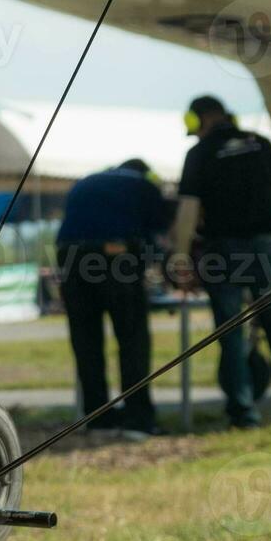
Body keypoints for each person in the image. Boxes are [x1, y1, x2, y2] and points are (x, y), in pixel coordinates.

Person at [169, 95, 271, 429]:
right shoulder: (261, 144)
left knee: (231, 333)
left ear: (199, 120)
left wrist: (179, 255)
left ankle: (243, 415)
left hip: (223, 250)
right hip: (264, 246)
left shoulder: (199, 153)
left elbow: (188, 210)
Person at [56, 158, 171, 437]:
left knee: (86, 342)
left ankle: (98, 417)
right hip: (114, 255)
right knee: (132, 339)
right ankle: (138, 418)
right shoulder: (144, 185)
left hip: (70, 257)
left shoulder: (86, 181)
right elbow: (160, 233)